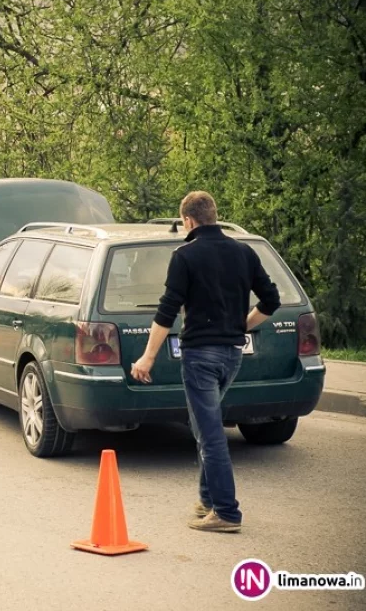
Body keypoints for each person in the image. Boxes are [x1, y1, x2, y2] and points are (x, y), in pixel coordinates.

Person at [130, 191, 280, 533]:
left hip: (200, 357)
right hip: (232, 355)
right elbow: (270, 300)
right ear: (213, 215)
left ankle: (226, 512)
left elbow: (167, 310)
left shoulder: (185, 255)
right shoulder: (244, 252)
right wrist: (243, 325)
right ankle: (207, 501)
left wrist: (148, 357)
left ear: (188, 221)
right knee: (203, 426)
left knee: (210, 434)